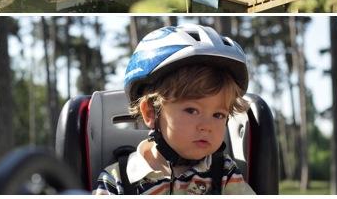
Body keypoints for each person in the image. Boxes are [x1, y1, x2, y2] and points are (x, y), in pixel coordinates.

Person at [94, 24, 255, 195]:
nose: (206, 126)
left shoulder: (224, 173)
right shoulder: (120, 179)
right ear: (150, 112)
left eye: (218, 114)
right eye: (191, 110)